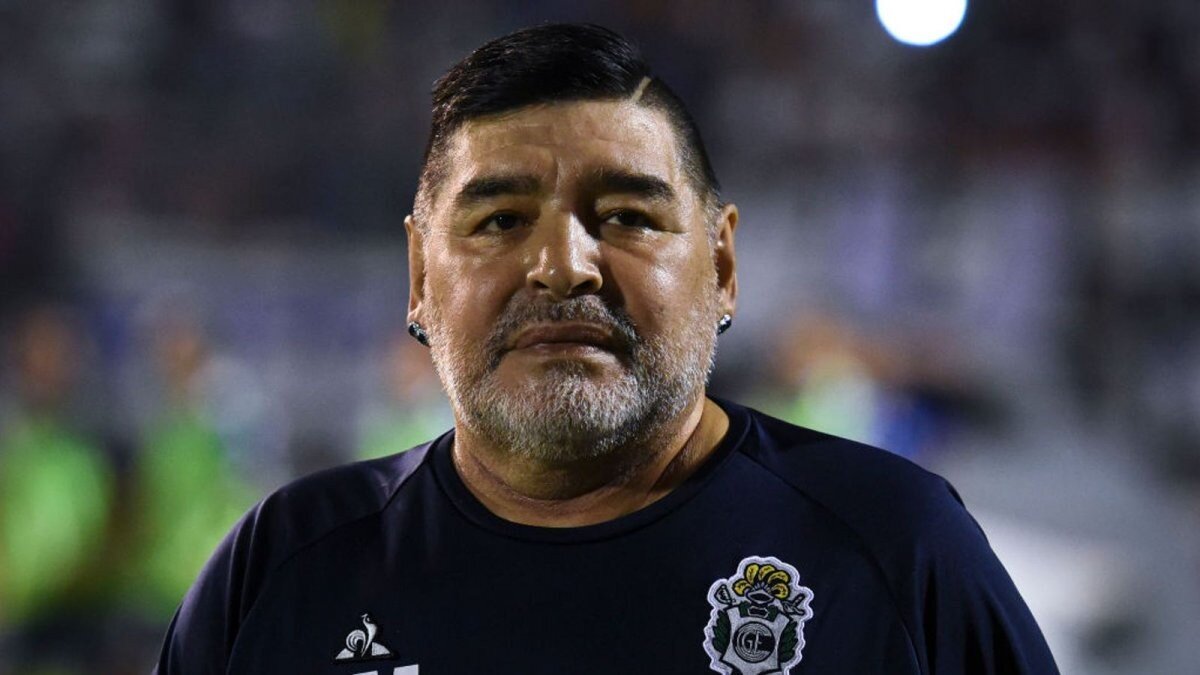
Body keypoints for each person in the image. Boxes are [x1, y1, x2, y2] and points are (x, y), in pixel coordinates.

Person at [154, 24, 1058, 674]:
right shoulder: (282, 568)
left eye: (627, 215)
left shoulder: (899, 551)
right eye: (500, 220)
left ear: (723, 265)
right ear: (420, 276)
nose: (562, 266)